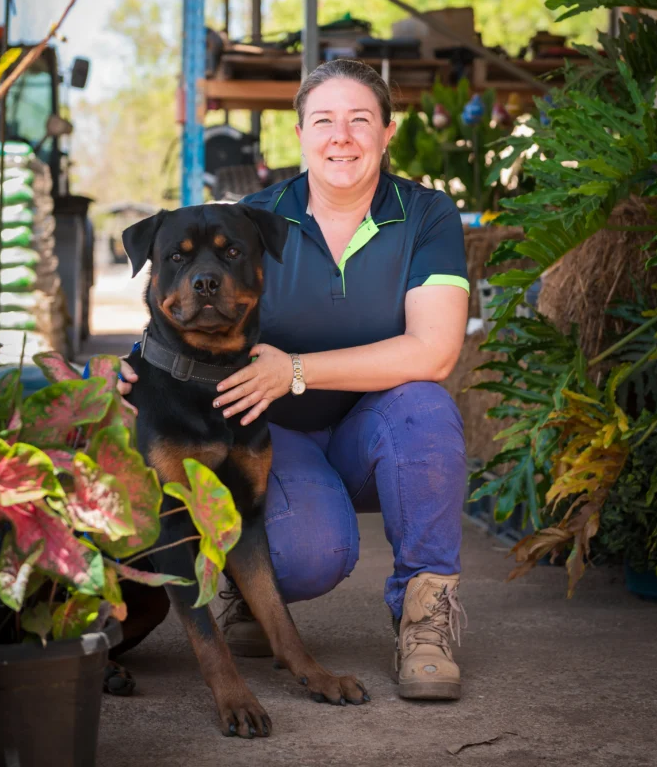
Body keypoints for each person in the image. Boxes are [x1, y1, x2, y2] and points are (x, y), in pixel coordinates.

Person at [119, 59, 469, 701]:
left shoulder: (425, 214)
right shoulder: (249, 220)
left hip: (373, 427)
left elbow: (437, 350)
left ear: (387, 131)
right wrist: (129, 368)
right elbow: (180, 307)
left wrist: (297, 371)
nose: (342, 136)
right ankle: (252, 601)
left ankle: (425, 614)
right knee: (308, 553)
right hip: (274, 431)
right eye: (324, 120)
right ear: (301, 133)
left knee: (426, 407)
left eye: (360, 119)